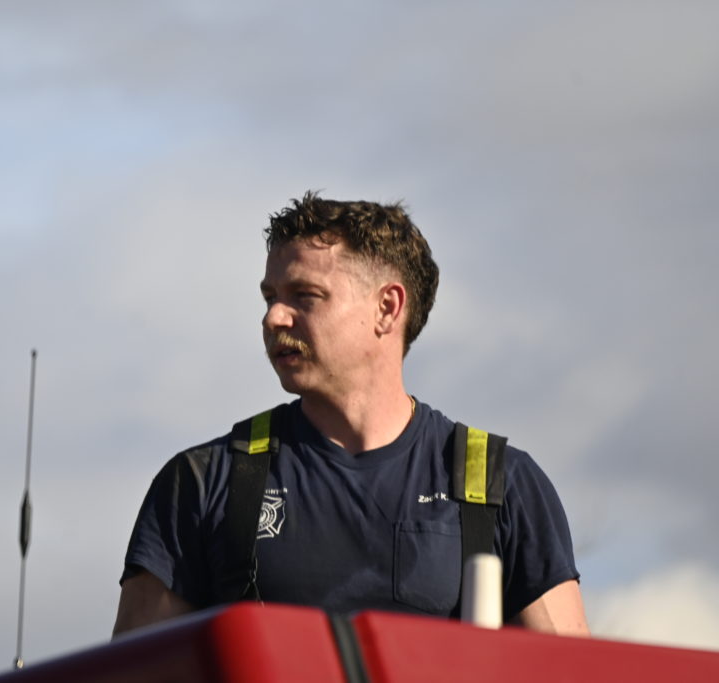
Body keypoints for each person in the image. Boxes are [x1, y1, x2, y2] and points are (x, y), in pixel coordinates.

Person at [113, 192, 588, 637]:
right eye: (270, 297)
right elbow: (139, 671)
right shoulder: (204, 482)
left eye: (304, 296)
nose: (273, 318)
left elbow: (569, 672)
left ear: (387, 308)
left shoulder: (502, 485)